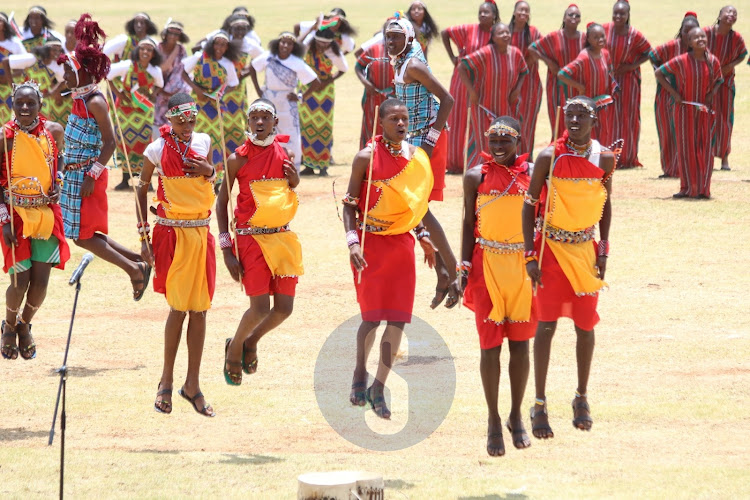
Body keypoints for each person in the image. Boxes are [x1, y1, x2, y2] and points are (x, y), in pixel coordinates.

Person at [522, 96, 615, 439]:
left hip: (584, 250)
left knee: (585, 326)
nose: (574, 120)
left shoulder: (604, 157)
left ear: (594, 120)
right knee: (545, 327)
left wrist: (603, 250)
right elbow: (528, 206)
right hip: (550, 250)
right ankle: (539, 403)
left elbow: (605, 205)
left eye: (582, 115)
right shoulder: (549, 156)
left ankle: (581, 397)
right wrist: (530, 256)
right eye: (569, 115)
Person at [344, 98, 436, 419]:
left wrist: (423, 238)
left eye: (405, 118)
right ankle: (359, 374)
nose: (400, 124)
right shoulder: (365, 158)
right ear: (380, 122)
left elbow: (414, 206)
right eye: (394, 119)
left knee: (397, 319)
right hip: (369, 245)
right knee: (371, 318)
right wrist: (352, 243)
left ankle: (378, 387)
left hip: (401, 246)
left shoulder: (415, 159)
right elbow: (349, 205)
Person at [57, 14, 150, 300]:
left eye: (68, 71)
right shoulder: (79, 97)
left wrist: (92, 175)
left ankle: (134, 270)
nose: (64, 77)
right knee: (84, 233)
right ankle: (138, 260)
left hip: (87, 176)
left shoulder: (95, 101)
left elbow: (110, 143)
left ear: (81, 72)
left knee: (85, 236)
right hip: (74, 175)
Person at [137, 92, 216, 417]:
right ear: (168, 120)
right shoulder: (155, 150)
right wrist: (144, 238)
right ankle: (165, 382)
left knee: (200, 310)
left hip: (202, 233)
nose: (186, 126)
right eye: (180, 121)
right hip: (171, 234)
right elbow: (140, 189)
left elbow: (216, 183)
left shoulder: (205, 142)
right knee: (178, 308)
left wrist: (209, 170)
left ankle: (192, 385)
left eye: (191, 120)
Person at [461, 116, 536, 456]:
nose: (499, 147)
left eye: (506, 140)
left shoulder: (533, 175)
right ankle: (493, 420)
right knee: (489, 347)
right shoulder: (475, 176)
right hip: (486, 268)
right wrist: (462, 267)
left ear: (519, 142)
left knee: (521, 347)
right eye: (493, 140)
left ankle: (516, 414)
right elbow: (466, 222)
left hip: (522, 269)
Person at [217, 98, 303, 386]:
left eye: (266, 117)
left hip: (282, 237)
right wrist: (227, 248)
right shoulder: (237, 158)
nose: (260, 122)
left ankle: (250, 341)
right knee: (259, 308)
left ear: (275, 123)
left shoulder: (286, 154)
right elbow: (222, 203)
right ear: (248, 122)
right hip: (250, 239)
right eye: (255, 117)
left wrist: (295, 181)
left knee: (284, 308)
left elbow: (287, 191)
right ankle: (233, 351)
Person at [387, 17, 459, 309]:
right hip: (412, 139)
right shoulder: (400, 59)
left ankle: (453, 272)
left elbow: (448, 99)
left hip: (425, 140)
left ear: (407, 37)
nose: (390, 42)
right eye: (387, 37)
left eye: (395, 37)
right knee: (416, 207)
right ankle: (444, 272)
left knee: (420, 209)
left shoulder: (413, 64)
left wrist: (430, 138)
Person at [0, 81, 69, 361]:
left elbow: (60, 160)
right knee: (20, 282)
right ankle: (9, 326)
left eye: (31, 104)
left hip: (46, 214)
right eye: (20, 103)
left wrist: (59, 181)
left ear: (41, 106)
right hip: (15, 215)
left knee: (40, 284)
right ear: (12, 105)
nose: (25, 108)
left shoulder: (54, 131)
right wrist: (4, 221)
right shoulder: (5, 137)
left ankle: (25, 325)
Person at [656, 28, 723, 200]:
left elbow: (719, 80)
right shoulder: (681, 60)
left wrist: (712, 93)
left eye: (702, 36)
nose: (700, 39)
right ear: (689, 42)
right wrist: (675, 93)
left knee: (705, 149)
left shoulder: (713, 61)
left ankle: (703, 189)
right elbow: (659, 73)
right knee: (686, 149)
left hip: (704, 112)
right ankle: (687, 188)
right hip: (684, 111)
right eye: (695, 37)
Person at [459, 22, 528, 168]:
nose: (505, 35)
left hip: (506, 105)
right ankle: (482, 176)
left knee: (507, 138)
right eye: (501, 33)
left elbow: (523, 70)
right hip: (483, 105)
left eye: (507, 32)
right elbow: (462, 66)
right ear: (493, 37)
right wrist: (471, 92)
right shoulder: (486, 52)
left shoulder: (516, 53)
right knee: (485, 141)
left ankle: (506, 173)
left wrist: (517, 89)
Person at [441, 1, 498, 173]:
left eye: (486, 13)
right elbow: (445, 33)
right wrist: (453, 56)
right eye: (480, 12)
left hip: (484, 83)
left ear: (494, 16)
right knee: (457, 120)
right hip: (461, 79)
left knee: (479, 121)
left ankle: (481, 160)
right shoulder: (469, 29)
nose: (482, 15)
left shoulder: (496, 33)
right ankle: (454, 163)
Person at [249, 32, 319, 170]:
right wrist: (258, 90)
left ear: (294, 47)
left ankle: (289, 168)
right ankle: (266, 166)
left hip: (287, 104)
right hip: (268, 101)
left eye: (289, 43)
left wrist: (300, 96)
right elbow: (252, 67)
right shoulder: (269, 57)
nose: (285, 45)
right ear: (278, 43)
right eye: (283, 42)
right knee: (266, 133)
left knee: (290, 136)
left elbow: (315, 81)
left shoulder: (297, 62)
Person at [181, 32, 239, 183]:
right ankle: (194, 172)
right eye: (217, 43)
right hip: (198, 105)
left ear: (227, 48)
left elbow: (234, 84)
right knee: (194, 137)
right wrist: (197, 89)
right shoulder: (200, 58)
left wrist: (220, 93)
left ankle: (216, 178)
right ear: (212, 45)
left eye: (223, 44)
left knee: (215, 141)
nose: (219, 47)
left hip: (215, 107)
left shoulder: (228, 64)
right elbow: (183, 72)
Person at [106, 38, 164, 190]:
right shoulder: (126, 65)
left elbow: (160, 85)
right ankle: (125, 179)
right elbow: (108, 76)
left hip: (144, 112)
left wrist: (153, 95)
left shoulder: (155, 70)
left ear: (153, 54)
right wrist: (119, 94)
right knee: (125, 143)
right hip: (125, 111)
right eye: (142, 49)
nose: (145, 52)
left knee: (144, 143)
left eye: (149, 50)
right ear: (137, 51)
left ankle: (146, 181)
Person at [649, 13, 699, 178]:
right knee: (666, 133)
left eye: (693, 32)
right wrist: (665, 77)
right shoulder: (672, 46)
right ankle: (669, 169)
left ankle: (684, 169)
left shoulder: (700, 51)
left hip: (689, 98)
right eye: (686, 31)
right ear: (681, 31)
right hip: (666, 97)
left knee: (685, 133)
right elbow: (653, 55)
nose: (689, 35)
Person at [603, 1, 652, 168]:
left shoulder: (634, 35)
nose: (618, 16)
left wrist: (631, 66)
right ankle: (610, 156)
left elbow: (649, 53)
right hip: (608, 80)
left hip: (629, 81)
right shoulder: (604, 30)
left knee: (628, 118)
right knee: (609, 117)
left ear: (628, 15)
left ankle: (627, 157)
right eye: (615, 13)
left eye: (622, 14)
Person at [529, 4, 585, 141]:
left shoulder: (584, 38)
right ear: (564, 18)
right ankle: (558, 153)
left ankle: (575, 154)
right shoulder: (554, 37)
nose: (573, 18)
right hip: (556, 86)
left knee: (577, 120)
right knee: (558, 120)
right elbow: (532, 48)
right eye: (570, 15)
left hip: (577, 86)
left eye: (577, 16)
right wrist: (548, 62)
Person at [298, 28, 348, 176]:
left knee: (323, 127)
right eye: (319, 43)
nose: (322, 46)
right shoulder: (307, 47)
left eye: (326, 44)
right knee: (306, 126)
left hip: (324, 93)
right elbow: (297, 43)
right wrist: (312, 28)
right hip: (307, 90)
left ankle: (323, 166)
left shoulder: (333, 52)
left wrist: (328, 81)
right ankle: (308, 165)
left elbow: (343, 68)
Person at [558, 23, 617, 146]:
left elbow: (610, 74)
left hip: (603, 104)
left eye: (602, 36)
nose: (600, 40)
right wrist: (579, 87)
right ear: (588, 39)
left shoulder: (605, 54)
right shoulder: (584, 56)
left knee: (605, 135)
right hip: (588, 106)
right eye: (596, 37)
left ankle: (602, 164)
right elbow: (562, 74)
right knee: (590, 137)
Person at [704, 6, 746, 171]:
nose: (731, 15)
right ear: (720, 15)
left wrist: (730, 65)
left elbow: (743, 54)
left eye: (735, 14)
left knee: (725, 119)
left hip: (726, 83)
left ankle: (724, 158)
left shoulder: (736, 38)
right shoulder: (706, 33)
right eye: (728, 12)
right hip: (707, 82)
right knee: (706, 117)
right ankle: (707, 156)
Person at [222, 14, 263, 169]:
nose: (240, 31)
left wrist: (244, 73)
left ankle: (238, 155)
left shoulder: (250, 44)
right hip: (222, 87)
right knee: (222, 121)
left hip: (237, 89)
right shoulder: (224, 41)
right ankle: (224, 156)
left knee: (237, 122)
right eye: (236, 28)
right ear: (230, 28)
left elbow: (262, 59)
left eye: (243, 28)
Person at [509, 1, 542, 158]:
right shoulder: (506, 32)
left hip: (530, 84)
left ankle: (526, 156)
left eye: (526, 10)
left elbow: (540, 51)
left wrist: (524, 65)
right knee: (510, 119)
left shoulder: (534, 33)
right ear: (514, 12)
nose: (523, 13)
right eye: (520, 10)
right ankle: (510, 155)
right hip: (508, 83)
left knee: (528, 123)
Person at [354, 20, 394, 149]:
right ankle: (369, 165)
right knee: (371, 130)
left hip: (395, 100)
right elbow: (358, 66)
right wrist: (366, 83)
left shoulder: (405, 52)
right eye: (389, 33)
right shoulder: (374, 50)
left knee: (392, 130)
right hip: (374, 98)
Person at [153, 21, 192, 133]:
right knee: (158, 123)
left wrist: (172, 91)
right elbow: (153, 68)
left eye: (176, 34)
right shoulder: (157, 48)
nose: (173, 36)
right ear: (166, 33)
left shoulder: (181, 50)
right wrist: (160, 89)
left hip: (176, 92)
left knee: (175, 122)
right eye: (171, 33)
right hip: (158, 90)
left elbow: (182, 70)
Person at [24, 39, 72, 126]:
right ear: (46, 49)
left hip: (43, 101)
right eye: (54, 50)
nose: (57, 52)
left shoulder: (58, 66)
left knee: (41, 124)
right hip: (27, 96)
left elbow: (64, 80)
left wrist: (54, 91)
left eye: (59, 50)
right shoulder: (34, 59)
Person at [0, 13, 35, 124]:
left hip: (6, 87)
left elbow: (25, 66)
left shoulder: (14, 43)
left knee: (4, 118)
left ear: (4, 25)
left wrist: (9, 77)